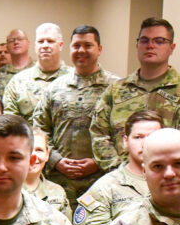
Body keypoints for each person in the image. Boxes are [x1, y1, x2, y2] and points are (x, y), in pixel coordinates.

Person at [75, 110, 180, 225]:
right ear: (125, 141)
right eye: (138, 137)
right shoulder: (105, 189)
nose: (145, 143)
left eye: (152, 136)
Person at [90, 17, 180, 170]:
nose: (150, 46)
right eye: (145, 40)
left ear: (172, 47)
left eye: (159, 41)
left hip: (165, 179)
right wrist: (124, 172)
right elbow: (98, 133)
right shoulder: (116, 91)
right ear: (137, 45)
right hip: (118, 180)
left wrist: (154, 171)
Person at [32, 25, 119, 206]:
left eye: (88, 45)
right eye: (76, 46)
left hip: (101, 181)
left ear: (99, 49)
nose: (81, 51)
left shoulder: (116, 88)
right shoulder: (55, 88)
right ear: (69, 48)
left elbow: (124, 134)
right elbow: (39, 129)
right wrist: (57, 160)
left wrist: (97, 162)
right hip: (58, 182)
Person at [3, 23, 71, 121]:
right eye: (41, 41)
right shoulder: (17, 82)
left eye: (50, 41)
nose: (45, 45)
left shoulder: (74, 78)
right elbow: (11, 123)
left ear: (60, 45)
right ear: (35, 46)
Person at [24, 129, 70, 218]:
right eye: (27, 149)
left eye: (39, 150)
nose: (33, 156)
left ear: (47, 155)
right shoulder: (5, 189)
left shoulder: (58, 192)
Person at [0, 28, 34, 98]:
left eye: (20, 39)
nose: (16, 42)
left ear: (28, 44)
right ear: (8, 46)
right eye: (11, 40)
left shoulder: (41, 70)